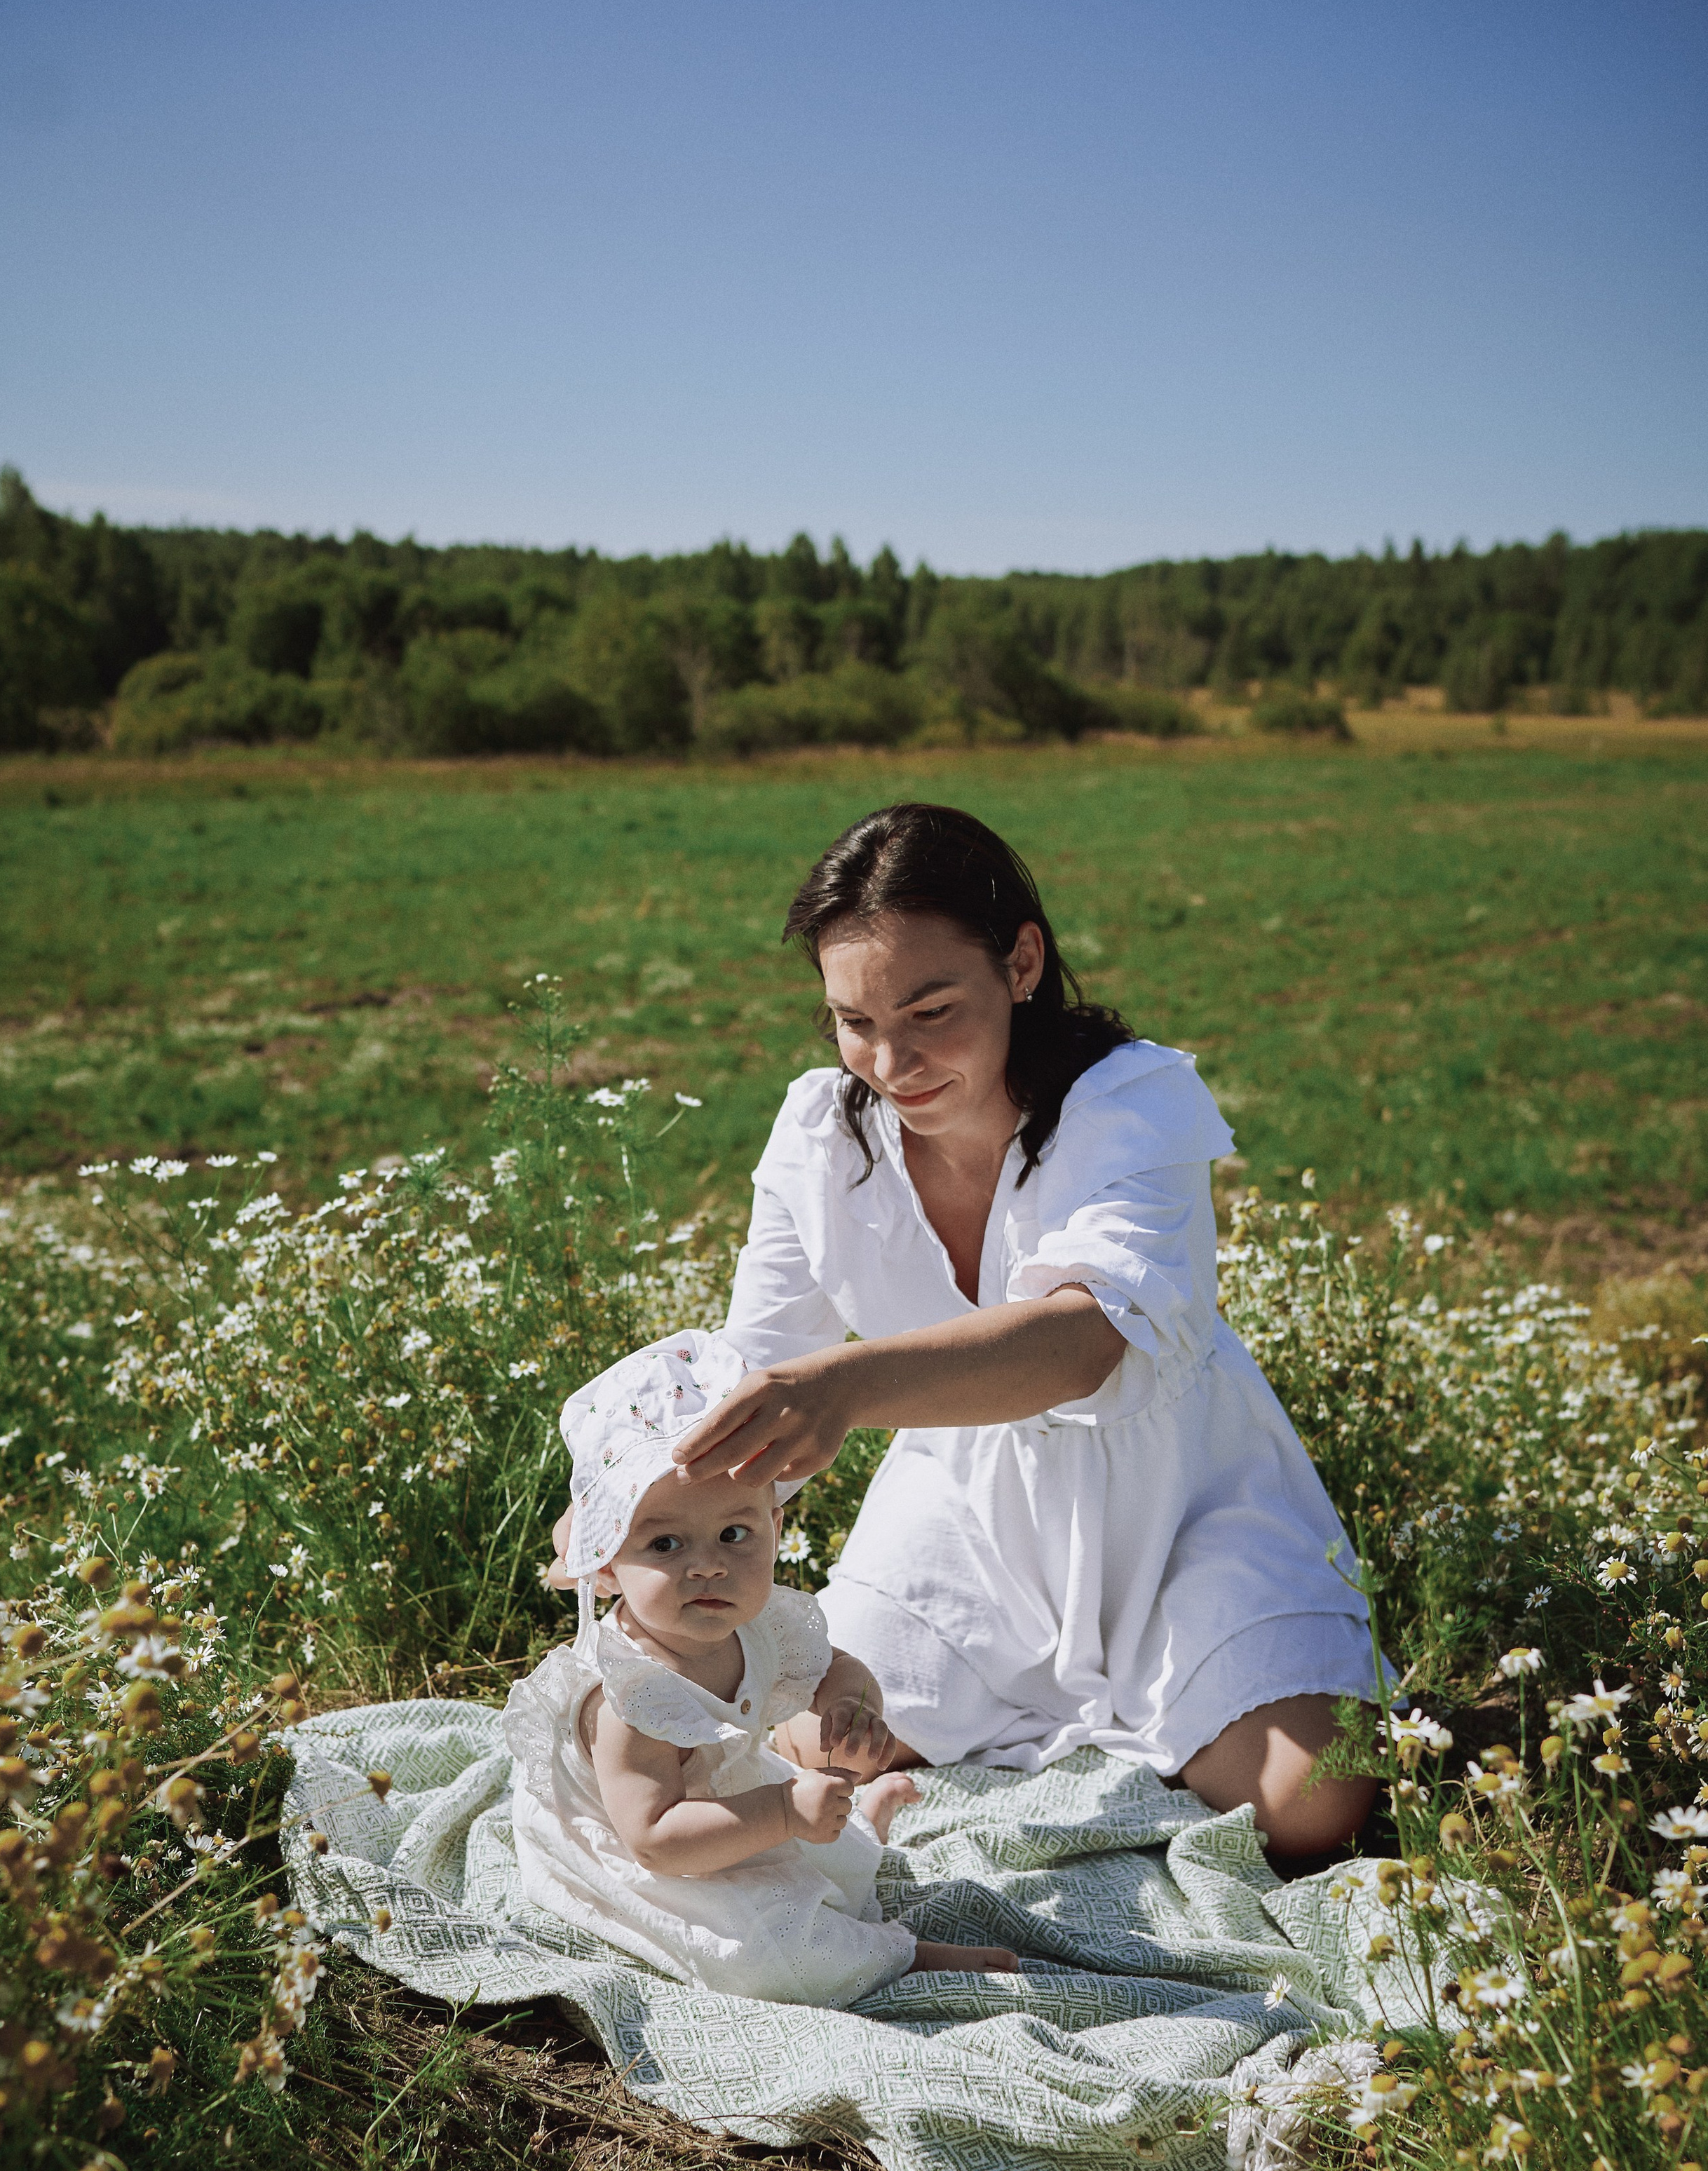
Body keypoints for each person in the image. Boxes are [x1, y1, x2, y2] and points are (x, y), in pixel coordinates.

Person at [670, 803, 1383, 1860]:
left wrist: (850, 1388)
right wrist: (635, 1505)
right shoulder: (824, 1134)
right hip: (964, 1515)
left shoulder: (1132, 1102)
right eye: (854, 1022)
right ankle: (1057, 1729)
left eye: (929, 1011)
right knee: (812, 1746)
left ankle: (1174, 1712)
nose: (890, 1060)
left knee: (1307, 1804)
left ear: (1022, 962)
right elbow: (753, 1370)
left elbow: (1084, 1342)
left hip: (1182, 1508)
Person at [506, 1330, 1019, 2003]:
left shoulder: (761, 1623)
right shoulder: (630, 1696)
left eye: (735, 1534)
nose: (709, 1563)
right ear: (607, 1565)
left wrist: (852, 1707)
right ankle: (907, 1955)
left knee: (840, 1859)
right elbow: (655, 1839)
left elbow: (837, 1669)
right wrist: (780, 1808)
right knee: (759, 1954)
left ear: (774, 1524)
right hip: (633, 1843)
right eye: (665, 1543)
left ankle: (863, 1821)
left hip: (728, 1798)